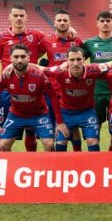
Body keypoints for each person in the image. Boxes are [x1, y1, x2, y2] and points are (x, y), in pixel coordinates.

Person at [0, 43, 68, 151]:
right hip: (16, 115)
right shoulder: (6, 76)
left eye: (23, 57)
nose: (19, 60)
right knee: (3, 145)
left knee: (49, 144)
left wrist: (60, 122)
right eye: (16, 57)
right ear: (10, 58)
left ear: (28, 57)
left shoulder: (39, 76)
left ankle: (47, 167)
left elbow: (52, 97)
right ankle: (11, 167)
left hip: (39, 114)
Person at [0, 2, 45, 152]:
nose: (19, 18)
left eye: (22, 15)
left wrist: (71, 29)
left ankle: (30, 162)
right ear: (10, 17)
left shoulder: (35, 35)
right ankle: (3, 165)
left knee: (30, 130)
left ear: (26, 17)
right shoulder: (1, 37)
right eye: (16, 15)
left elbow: (53, 40)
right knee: (3, 131)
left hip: (31, 88)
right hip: (7, 90)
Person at [39, 46, 112, 152]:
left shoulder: (93, 69)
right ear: (67, 61)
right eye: (72, 60)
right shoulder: (59, 71)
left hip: (87, 112)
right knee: (61, 142)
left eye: (78, 59)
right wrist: (11, 66)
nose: (75, 63)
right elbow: (39, 68)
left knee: (93, 141)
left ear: (84, 59)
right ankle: (62, 168)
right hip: (66, 113)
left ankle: (93, 167)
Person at [39, 9, 84, 151]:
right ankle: (56, 162)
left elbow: (82, 61)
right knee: (54, 127)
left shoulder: (76, 41)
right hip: (52, 91)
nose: (62, 23)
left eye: (65, 20)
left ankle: (77, 158)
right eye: (59, 20)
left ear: (69, 23)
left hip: (72, 91)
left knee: (74, 129)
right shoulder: (46, 41)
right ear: (54, 23)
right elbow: (34, 56)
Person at [83, 11, 112, 150]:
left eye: (108, 21)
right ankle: (96, 155)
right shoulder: (90, 43)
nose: (105, 23)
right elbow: (76, 61)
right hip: (96, 90)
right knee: (96, 125)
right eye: (102, 21)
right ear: (97, 23)